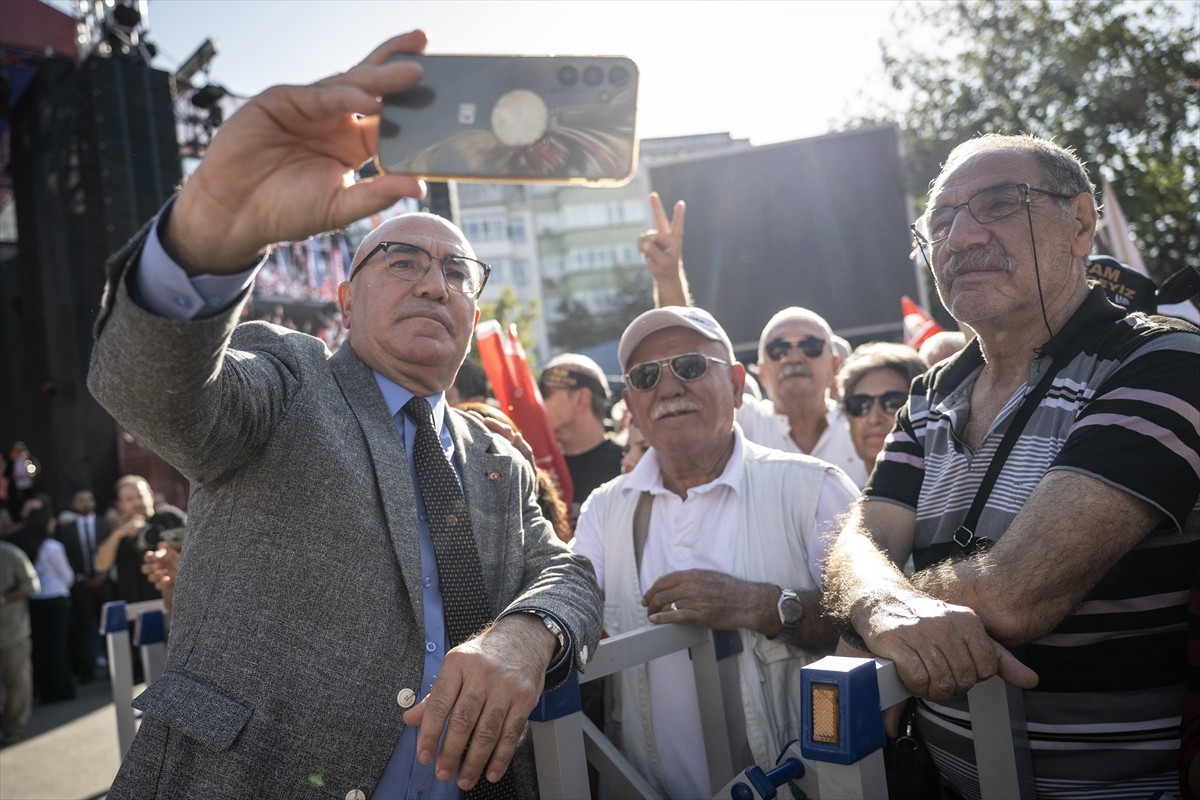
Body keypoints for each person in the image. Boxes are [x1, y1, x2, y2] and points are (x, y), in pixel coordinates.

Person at [86, 31, 601, 800]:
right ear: (346, 298)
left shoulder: (500, 459)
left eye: (457, 272)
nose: (434, 283)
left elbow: (568, 573)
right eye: (402, 261)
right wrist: (210, 234)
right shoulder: (291, 378)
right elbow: (149, 392)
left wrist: (529, 635)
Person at [822, 133, 1200, 798]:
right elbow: (859, 539)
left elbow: (1018, 592)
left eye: (998, 204)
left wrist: (874, 611)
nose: (961, 236)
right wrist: (876, 603)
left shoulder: (1165, 362)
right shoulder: (929, 392)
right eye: (940, 221)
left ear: (1080, 222)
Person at [572, 306, 860, 799]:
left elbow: (868, 628)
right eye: (646, 376)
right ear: (632, 405)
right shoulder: (605, 508)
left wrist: (764, 606)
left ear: (735, 383)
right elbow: (568, 601)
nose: (668, 388)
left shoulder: (814, 488)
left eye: (688, 366)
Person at [637, 193, 868, 486]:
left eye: (809, 347)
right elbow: (684, 350)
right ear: (760, 369)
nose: (794, 358)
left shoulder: (863, 422)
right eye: (778, 349)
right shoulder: (743, 423)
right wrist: (669, 278)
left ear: (835, 364)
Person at [538, 354, 623, 522]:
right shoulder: (543, 467)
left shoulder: (626, 465)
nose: (537, 402)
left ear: (581, 399)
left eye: (545, 392)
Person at [835, 342, 927, 469]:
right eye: (860, 404)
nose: (874, 419)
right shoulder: (837, 486)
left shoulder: (953, 487)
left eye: (893, 403)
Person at [20, 506, 76, 703]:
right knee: (58, 645)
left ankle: (46, 690)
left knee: (42, 647)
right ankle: (61, 688)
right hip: (56, 599)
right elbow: (67, 574)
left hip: (36, 601)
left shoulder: (26, 545)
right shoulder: (53, 546)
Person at [56, 489, 112, 682]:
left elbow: (111, 551)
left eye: (88, 499)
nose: (85, 503)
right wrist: (81, 577)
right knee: (84, 628)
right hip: (81, 584)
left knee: (109, 625)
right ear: (74, 504)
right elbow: (68, 556)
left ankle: (114, 666)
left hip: (103, 583)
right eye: (80, 500)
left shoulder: (103, 524)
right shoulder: (67, 529)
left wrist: (102, 574)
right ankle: (87, 670)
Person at [93, 475, 160, 604]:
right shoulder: (116, 533)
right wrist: (118, 535)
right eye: (129, 499)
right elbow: (101, 566)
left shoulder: (170, 518)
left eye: (140, 496)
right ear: (120, 504)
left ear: (150, 495)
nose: (136, 502)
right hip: (134, 606)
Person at [0, 538, 38, 746]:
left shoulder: (11, 553)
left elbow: (32, 584)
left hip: (12, 632)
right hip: (13, 631)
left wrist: (5, 598)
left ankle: (14, 729)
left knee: (17, 682)